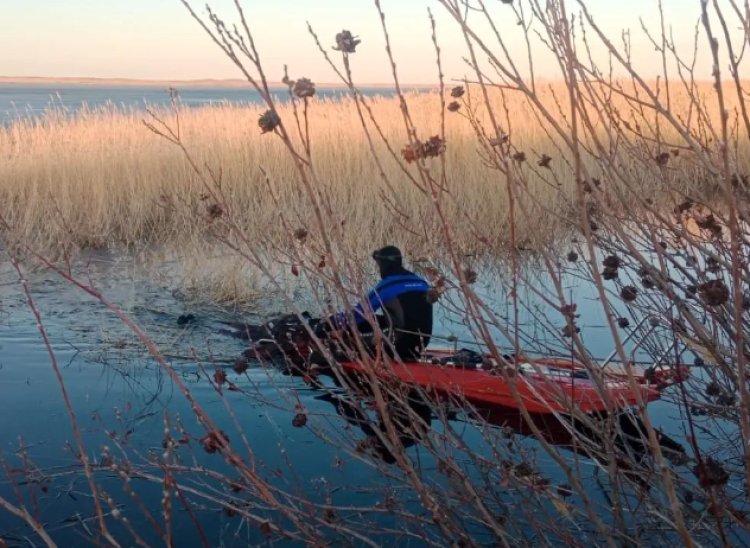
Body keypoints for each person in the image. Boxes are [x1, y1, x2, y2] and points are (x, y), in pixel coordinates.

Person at [316, 245, 433, 360]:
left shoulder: (387, 286)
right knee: (378, 319)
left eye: (378, 265)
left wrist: (330, 323)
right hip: (422, 343)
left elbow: (359, 313)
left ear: (384, 265)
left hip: (398, 344)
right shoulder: (422, 282)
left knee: (340, 345)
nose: (378, 269)